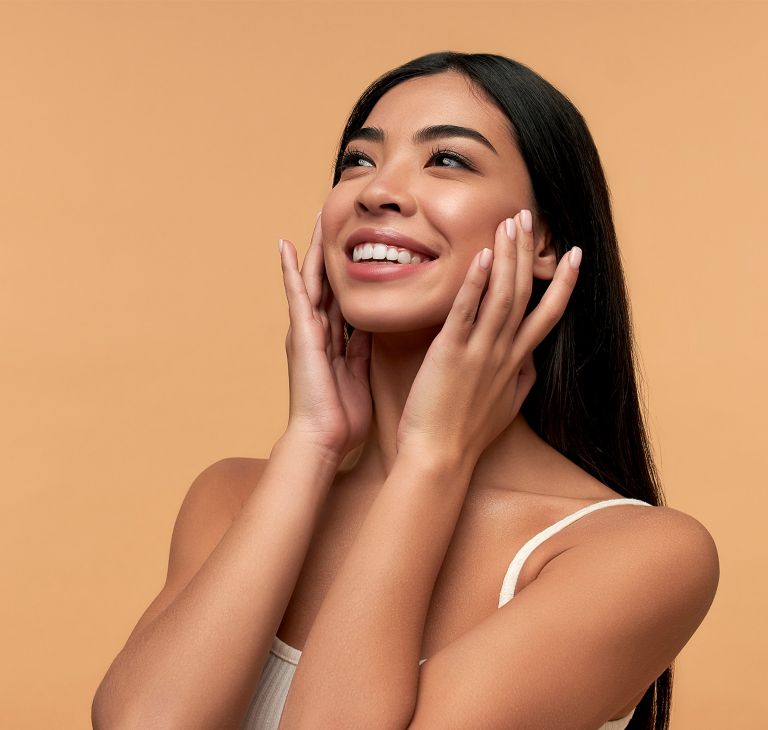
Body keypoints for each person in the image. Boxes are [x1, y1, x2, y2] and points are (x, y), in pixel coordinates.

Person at [92, 52, 719, 730]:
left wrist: (432, 460)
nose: (376, 191)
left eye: (447, 160)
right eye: (357, 162)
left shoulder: (638, 555)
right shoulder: (231, 498)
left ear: (545, 241)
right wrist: (313, 441)